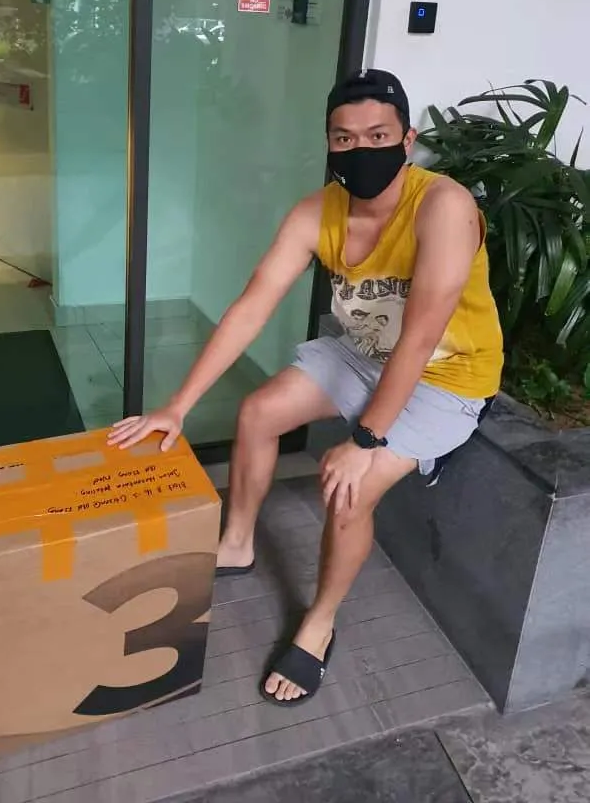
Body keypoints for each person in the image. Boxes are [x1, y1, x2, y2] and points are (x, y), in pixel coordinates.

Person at [109, 69, 503, 707]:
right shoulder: (316, 212)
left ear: (407, 140)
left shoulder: (443, 207)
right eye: (344, 138)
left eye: (378, 135)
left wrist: (365, 440)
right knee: (258, 412)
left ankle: (319, 623)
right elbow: (253, 305)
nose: (360, 149)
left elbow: (421, 337)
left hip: (446, 376)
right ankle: (237, 543)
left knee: (349, 490)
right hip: (365, 354)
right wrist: (178, 406)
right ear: (328, 142)